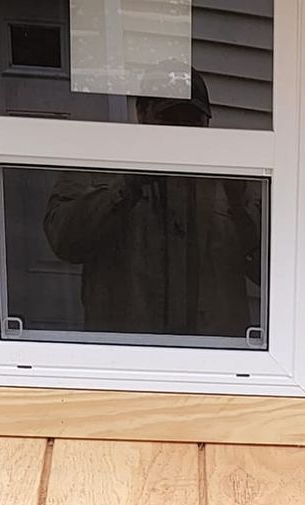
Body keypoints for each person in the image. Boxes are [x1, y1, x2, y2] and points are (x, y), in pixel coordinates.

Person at [42, 75, 263, 343]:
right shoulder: (100, 163)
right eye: (169, 117)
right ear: (141, 113)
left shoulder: (233, 179)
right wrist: (126, 186)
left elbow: (272, 273)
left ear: (206, 123)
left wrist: (241, 210)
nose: (181, 131)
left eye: (191, 119)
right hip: (126, 360)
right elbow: (64, 239)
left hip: (213, 364)